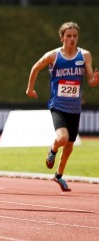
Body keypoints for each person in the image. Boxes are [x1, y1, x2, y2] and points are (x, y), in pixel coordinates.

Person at [26, 22, 99, 192]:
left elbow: (90, 81)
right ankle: (52, 151)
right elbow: (36, 67)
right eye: (69, 36)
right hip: (57, 104)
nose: (72, 39)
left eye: (75, 36)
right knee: (62, 138)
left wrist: (95, 81)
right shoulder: (53, 56)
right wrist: (30, 88)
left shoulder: (84, 56)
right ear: (62, 38)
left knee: (69, 147)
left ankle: (59, 175)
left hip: (75, 107)